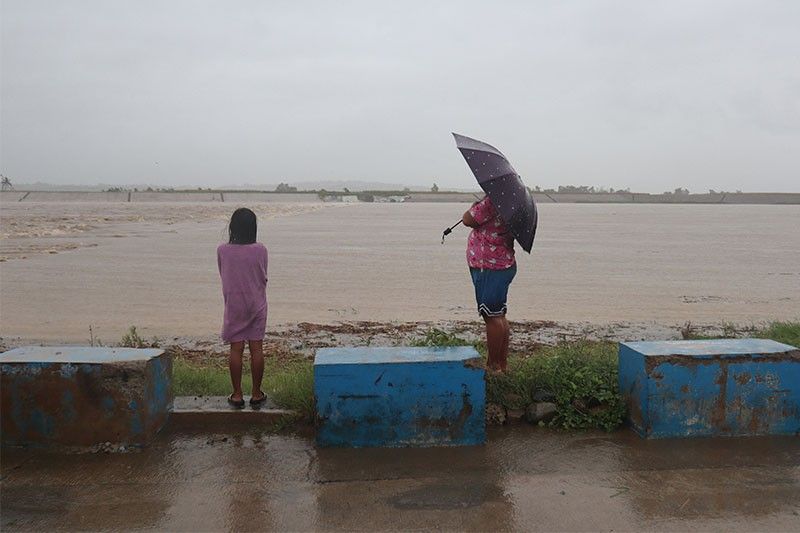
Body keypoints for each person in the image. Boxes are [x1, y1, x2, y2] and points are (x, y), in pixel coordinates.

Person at [217, 207, 268, 408]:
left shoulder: (222, 250)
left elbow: (223, 274)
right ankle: (256, 393)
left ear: (232, 228)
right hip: (256, 303)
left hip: (234, 304)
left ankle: (237, 394)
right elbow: (263, 276)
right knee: (257, 348)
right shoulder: (261, 250)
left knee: (236, 349)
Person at [462, 196, 516, 372]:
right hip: (502, 264)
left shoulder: (491, 202)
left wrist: (475, 205)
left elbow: (467, 219)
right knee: (498, 315)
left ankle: (493, 366)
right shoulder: (510, 202)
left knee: (491, 317)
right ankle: (501, 364)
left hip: (490, 267)